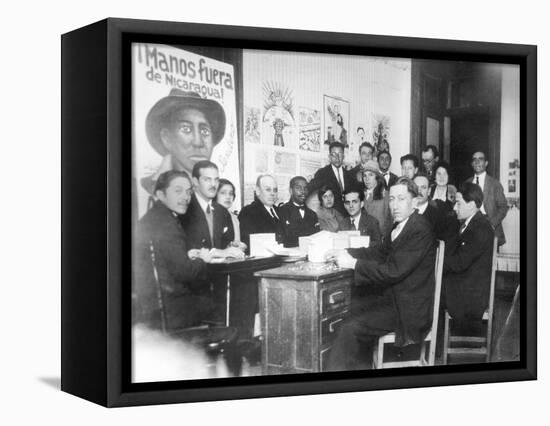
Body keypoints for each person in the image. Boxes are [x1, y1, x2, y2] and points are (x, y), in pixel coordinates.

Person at [327, 177, 436, 371]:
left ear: (415, 201)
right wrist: (345, 252)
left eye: (401, 199)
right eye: (391, 199)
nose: (394, 205)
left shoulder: (420, 228)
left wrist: (353, 263)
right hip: (395, 299)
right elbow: (377, 252)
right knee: (350, 311)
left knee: (349, 328)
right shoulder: (400, 226)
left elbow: (393, 271)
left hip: (408, 310)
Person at [133, 170, 215, 332]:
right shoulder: (167, 224)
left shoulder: (154, 218)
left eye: (189, 192)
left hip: (152, 305)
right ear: (160, 194)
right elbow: (185, 273)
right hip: (170, 309)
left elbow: (164, 258)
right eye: (178, 191)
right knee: (220, 304)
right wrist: (203, 259)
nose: (185, 197)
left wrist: (187, 255)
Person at [141, 89, 226, 194]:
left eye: (204, 131)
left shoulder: (215, 192)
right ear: (166, 138)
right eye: (186, 129)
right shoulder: (149, 189)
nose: (198, 142)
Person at [444, 183, 495, 333]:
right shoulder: (470, 224)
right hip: (464, 286)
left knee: (425, 294)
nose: (454, 208)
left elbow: (459, 263)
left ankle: (433, 346)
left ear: (472, 204)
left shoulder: (480, 228)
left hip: (470, 295)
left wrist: (438, 262)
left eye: (458, 203)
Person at [182, 160, 243, 253]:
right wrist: (221, 253)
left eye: (216, 180)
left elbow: (221, 244)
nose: (213, 184)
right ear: (195, 181)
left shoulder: (221, 211)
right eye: (207, 179)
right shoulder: (184, 209)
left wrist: (230, 247)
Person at [464, 151, 508, 246]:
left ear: (486, 163)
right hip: (471, 229)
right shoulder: (467, 183)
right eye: (474, 159)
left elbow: (503, 207)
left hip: (490, 229)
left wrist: (492, 224)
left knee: (488, 260)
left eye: (480, 159)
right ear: (472, 164)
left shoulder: (495, 184)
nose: (477, 162)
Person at [239, 174, 283, 250]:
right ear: (258, 191)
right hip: (262, 259)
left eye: (275, 190)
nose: (272, 194)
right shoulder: (248, 212)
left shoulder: (281, 211)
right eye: (268, 189)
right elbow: (248, 242)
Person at [414, 173, 459, 246]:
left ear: (429, 191)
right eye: (416, 187)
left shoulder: (439, 215)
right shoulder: (405, 213)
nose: (419, 191)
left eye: (423, 187)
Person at [310, 142, 354, 215]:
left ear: (343, 156)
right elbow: (310, 188)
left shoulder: (349, 175)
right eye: (334, 154)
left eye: (340, 153)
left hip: (348, 217)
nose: (337, 157)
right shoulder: (322, 173)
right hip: (330, 218)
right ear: (329, 157)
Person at [279, 176, 320, 247]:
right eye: (298, 188)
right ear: (291, 190)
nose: (303, 191)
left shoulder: (313, 214)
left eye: (305, 188)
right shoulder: (281, 211)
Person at [361, 160, 392, 237]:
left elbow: (388, 221)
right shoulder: (362, 195)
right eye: (365, 175)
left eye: (370, 175)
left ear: (377, 177)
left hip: (380, 239)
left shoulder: (386, 195)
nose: (367, 179)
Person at [216, 178, 246, 249]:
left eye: (231, 194)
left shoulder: (234, 218)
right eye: (223, 193)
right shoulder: (209, 217)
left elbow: (237, 243)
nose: (228, 197)